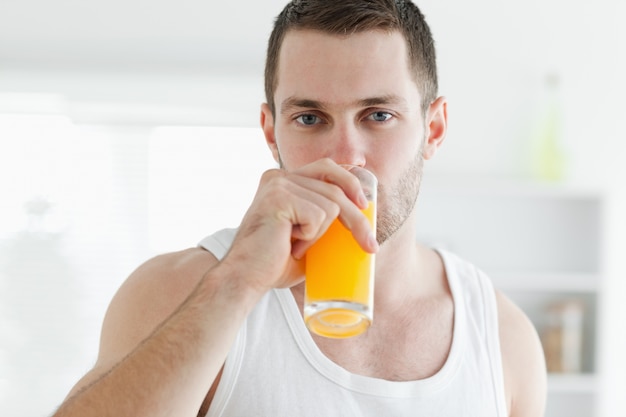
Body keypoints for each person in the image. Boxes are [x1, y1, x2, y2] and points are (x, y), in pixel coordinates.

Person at [52, 0, 547, 416]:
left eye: (379, 115)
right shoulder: (174, 293)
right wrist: (236, 285)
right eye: (310, 117)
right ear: (271, 133)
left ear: (433, 129)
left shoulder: (501, 339)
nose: (345, 155)